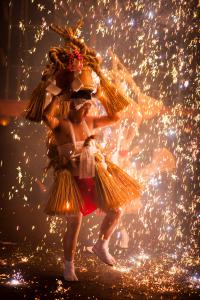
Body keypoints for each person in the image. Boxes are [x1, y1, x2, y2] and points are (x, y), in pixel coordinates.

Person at [25, 19, 142, 281]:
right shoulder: (62, 126)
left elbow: (115, 117)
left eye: (91, 105)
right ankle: (69, 265)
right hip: (72, 180)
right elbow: (44, 114)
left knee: (117, 211)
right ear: (76, 106)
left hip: (93, 174)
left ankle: (101, 244)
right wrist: (54, 88)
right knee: (75, 221)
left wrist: (102, 92)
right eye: (86, 105)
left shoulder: (91, 120)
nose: (90, 109)